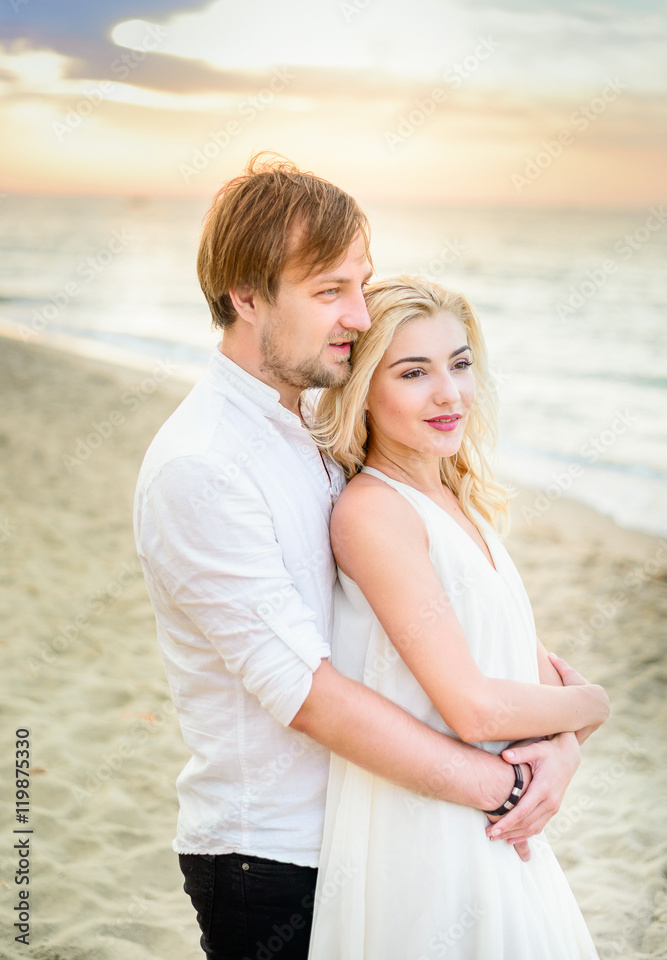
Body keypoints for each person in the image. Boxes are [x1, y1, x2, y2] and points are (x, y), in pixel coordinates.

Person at [134, 156, 595, 960]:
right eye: (327, 291)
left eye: (360, 283)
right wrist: (507, 785)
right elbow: (310, 696)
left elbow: (454, 634)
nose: (356, 314)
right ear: (246, 297)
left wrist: (559, 745)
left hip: (384, 830)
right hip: (275, 856)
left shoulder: (316, 433)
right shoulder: (201, 466)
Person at [308, 275, 608, 959]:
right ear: (362, 388)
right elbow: (477, 709)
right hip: (428, 841)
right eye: (414, 372)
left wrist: (562, 748)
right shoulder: (373, 512)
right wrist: (596, 702)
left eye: (460, 363)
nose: (450, 394)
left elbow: (537, 686)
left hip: (502, 832)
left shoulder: (458, 501)